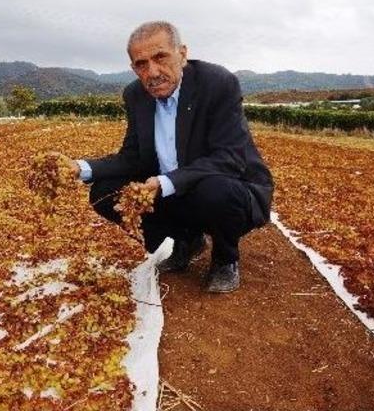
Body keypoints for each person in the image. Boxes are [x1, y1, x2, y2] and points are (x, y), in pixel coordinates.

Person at [60, 21, 273, 293]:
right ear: (133, 68)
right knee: (105, 192)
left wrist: (165, 182)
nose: (152, 72)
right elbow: (132, 157)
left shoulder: (217, 83)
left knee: (215, 191)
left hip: (230, 186)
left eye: (160, 57)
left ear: (182, 54)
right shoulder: (135, 95)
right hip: (171, 189)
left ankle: (225, 258)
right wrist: (79, 168)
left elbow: (229, 157)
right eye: (141, 64)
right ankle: (185, 242)